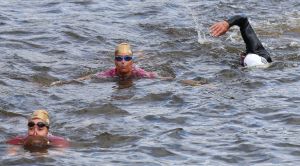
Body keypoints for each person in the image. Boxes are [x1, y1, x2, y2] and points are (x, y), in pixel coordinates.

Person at [51, 43, 172, 86]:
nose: (123, 62)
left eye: (127, 58)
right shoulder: (109, 73)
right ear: (114, 62)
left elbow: (160, 78)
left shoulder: (139, 72)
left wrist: (182, 82)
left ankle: (142, 53)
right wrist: (60, 83)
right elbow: (88, 78)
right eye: (119, 58)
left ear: (132, 61)